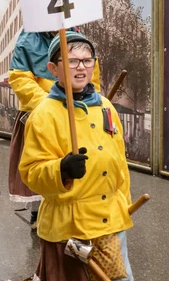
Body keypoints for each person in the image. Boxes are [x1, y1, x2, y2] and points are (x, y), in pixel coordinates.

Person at [19, 31, 135, 281]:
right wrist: (61, 171)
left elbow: (120, 165)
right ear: (54, 68)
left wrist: (122, 205)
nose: (80, 67)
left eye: (86, 60)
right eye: (71, 61)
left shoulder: (107, 108)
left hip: (109, 223)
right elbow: (30, 172)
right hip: (68, 226)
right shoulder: (43, 114)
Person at [8, 29, 100, 229]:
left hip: (76, 110)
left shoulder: (77, 39)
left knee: (75, 161)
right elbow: (19, 78)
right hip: (41, 111)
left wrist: (91, 103)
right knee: (42, 161)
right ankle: (38, 213)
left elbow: (92, 78)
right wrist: (50, 105)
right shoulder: (27, 40)